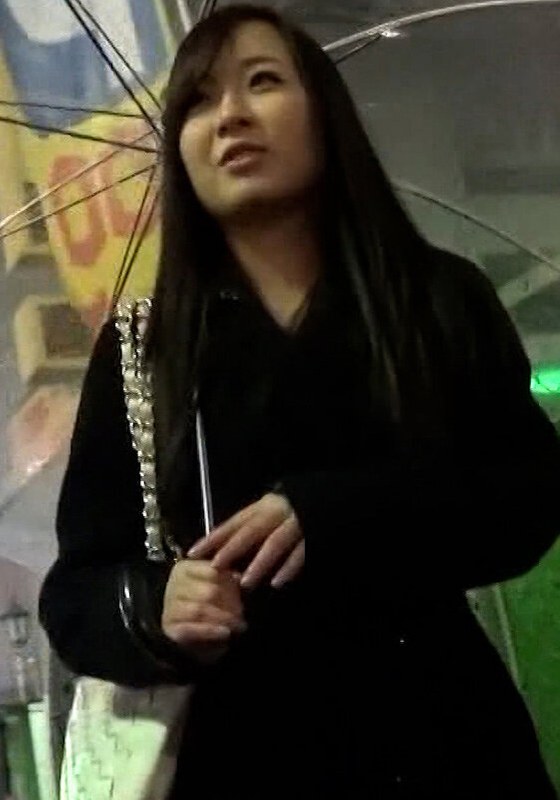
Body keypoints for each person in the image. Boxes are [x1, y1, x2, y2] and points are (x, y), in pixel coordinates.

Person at [39, 4, 560, 798]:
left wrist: (335, 513)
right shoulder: (147, 347)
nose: (231, 116)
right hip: (244, 752)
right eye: (199, 101)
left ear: (324, 112)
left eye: (262, 82)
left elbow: (523, 496)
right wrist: (154, 606)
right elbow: (75, 592)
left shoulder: (435, 300)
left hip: (440, 739)